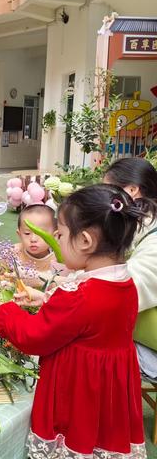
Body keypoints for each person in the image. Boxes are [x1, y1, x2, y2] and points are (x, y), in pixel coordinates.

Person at [0, 184, 146, 458]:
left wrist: (3, 311)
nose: (55, 239)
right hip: (107, 392)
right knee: (99, 440)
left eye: (59, 233)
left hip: (78, 390)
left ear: (85, 241)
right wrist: (47, 298)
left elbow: (35, 336)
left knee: (75, 440)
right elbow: (92, 323)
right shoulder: (124, 283)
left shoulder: (78, 296)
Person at [103, 157, 157, 377]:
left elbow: (127, 288)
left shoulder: (149, 232)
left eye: (108, 191)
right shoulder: (139, 225)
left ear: (133, 190)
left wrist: (69, 284)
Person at [15, 204, 57, 287]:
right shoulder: (12, 252)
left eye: (40, 233)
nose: (33, 239)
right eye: (27, 233)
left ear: (55, 235)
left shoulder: (57, 259)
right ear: (19, 234)